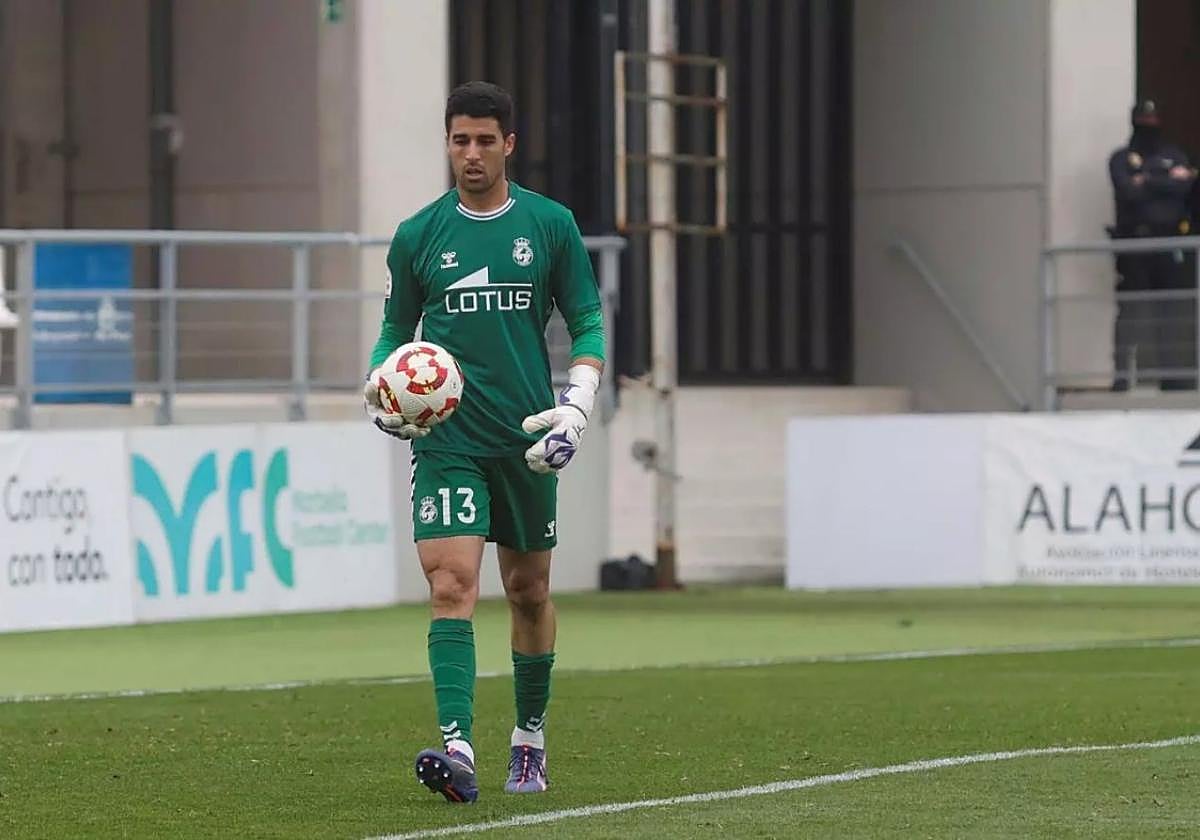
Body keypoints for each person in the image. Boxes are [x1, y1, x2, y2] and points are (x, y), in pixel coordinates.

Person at [362, 81, 606, 803]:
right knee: (451, 585)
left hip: (526, 437)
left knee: (529, 591)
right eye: (459, 140)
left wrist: (577, 407)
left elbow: (587, 320)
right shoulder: (418, 235)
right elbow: (394, 329)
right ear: (447, 144)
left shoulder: (550, 225)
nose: (471, 153)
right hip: (449, 440)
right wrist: (380, 385)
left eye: (484, 141)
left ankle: (528, 740)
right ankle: (458, 749)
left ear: (509, 145)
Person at [1108, 99, 1198, 391]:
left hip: (1170, 245)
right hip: (1135, 245)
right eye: (1144, 121)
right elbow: (1128, 191)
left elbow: (1185, 187)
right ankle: (1122, 376)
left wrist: (1146, 179)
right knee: (1132, 313)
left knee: (1171, 311)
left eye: (1153, 120)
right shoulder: (1121, 158)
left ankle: (1172, 376)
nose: (1149, 126)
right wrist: (1165, 178)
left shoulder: (1174, 154)